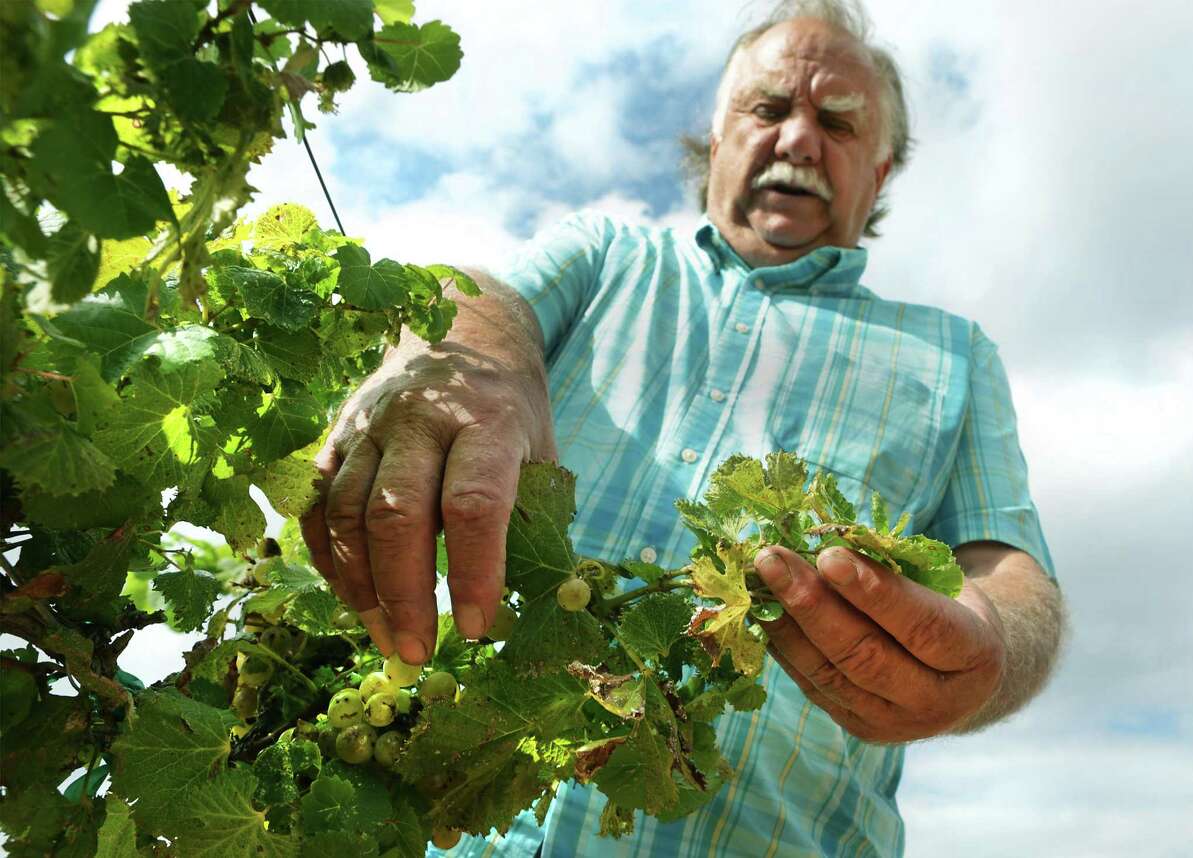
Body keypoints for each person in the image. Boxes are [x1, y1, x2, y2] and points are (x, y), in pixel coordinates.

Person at [300, 1, 1066, 854]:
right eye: (770, 109)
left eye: (838, 123)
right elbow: (484, 300)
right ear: (716, 136)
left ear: (878, 175)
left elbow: (1009, 566)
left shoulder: (954, 354)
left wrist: (990, 644)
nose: (800, 141)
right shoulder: (604, 255)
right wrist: (474, 351)